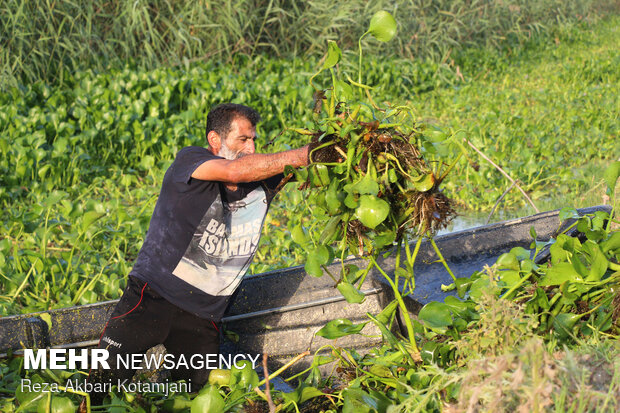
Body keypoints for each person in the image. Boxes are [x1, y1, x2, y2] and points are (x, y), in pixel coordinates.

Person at [82, 103, 310, 409]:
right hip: (152, 299)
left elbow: (311, 170)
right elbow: (235, 171)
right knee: (99, 386)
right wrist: (310, 152)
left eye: (254, 139)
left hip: (203, 317)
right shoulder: (192, 160)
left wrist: (340, 153)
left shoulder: (261, 182)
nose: (251, 147)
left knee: (191, 398)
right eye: (243, 139)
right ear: (215, 140)